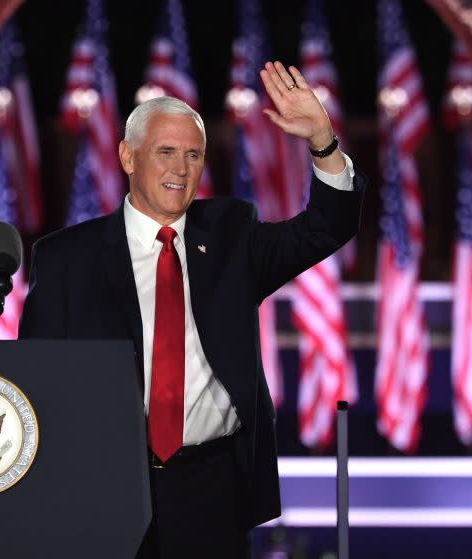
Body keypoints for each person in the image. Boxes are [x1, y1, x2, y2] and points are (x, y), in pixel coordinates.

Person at [19, 61, 366, 557]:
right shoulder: (66, 258)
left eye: (193, 155)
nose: (180, 169)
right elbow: (39, 382)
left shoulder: (231, 237)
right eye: (165, 152)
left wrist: (322, 141)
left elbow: (327, 228)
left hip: (212, 487)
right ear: (127, 156)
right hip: (103, 484)